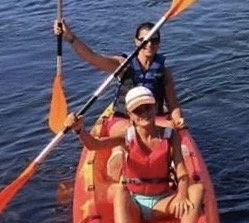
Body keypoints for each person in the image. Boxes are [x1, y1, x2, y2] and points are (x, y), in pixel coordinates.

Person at [65, 86, 203, 223]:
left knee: (197, 189)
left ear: (154, 108)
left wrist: (181, 195)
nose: (143, 114)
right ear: (130, 115)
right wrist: (79, 130)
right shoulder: (126, 137)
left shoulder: (171, 136)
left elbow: (182, 173)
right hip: (135, 206)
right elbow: (94, 145)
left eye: (147, 108)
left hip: (162, 203)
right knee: (120, 190)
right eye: (137, 111)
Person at [54, 18, 184, 137]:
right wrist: (71, 38)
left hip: (153, 118)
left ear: (159, 43)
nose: (149, 44)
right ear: (136, 41)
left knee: (170, 129)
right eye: (144, 40)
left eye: (154, 40)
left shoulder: (164, 72)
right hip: (124, 119)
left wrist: (178, 121)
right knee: (132, 132)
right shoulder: (122, 64)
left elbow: (173, 105)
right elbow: (92, 57)